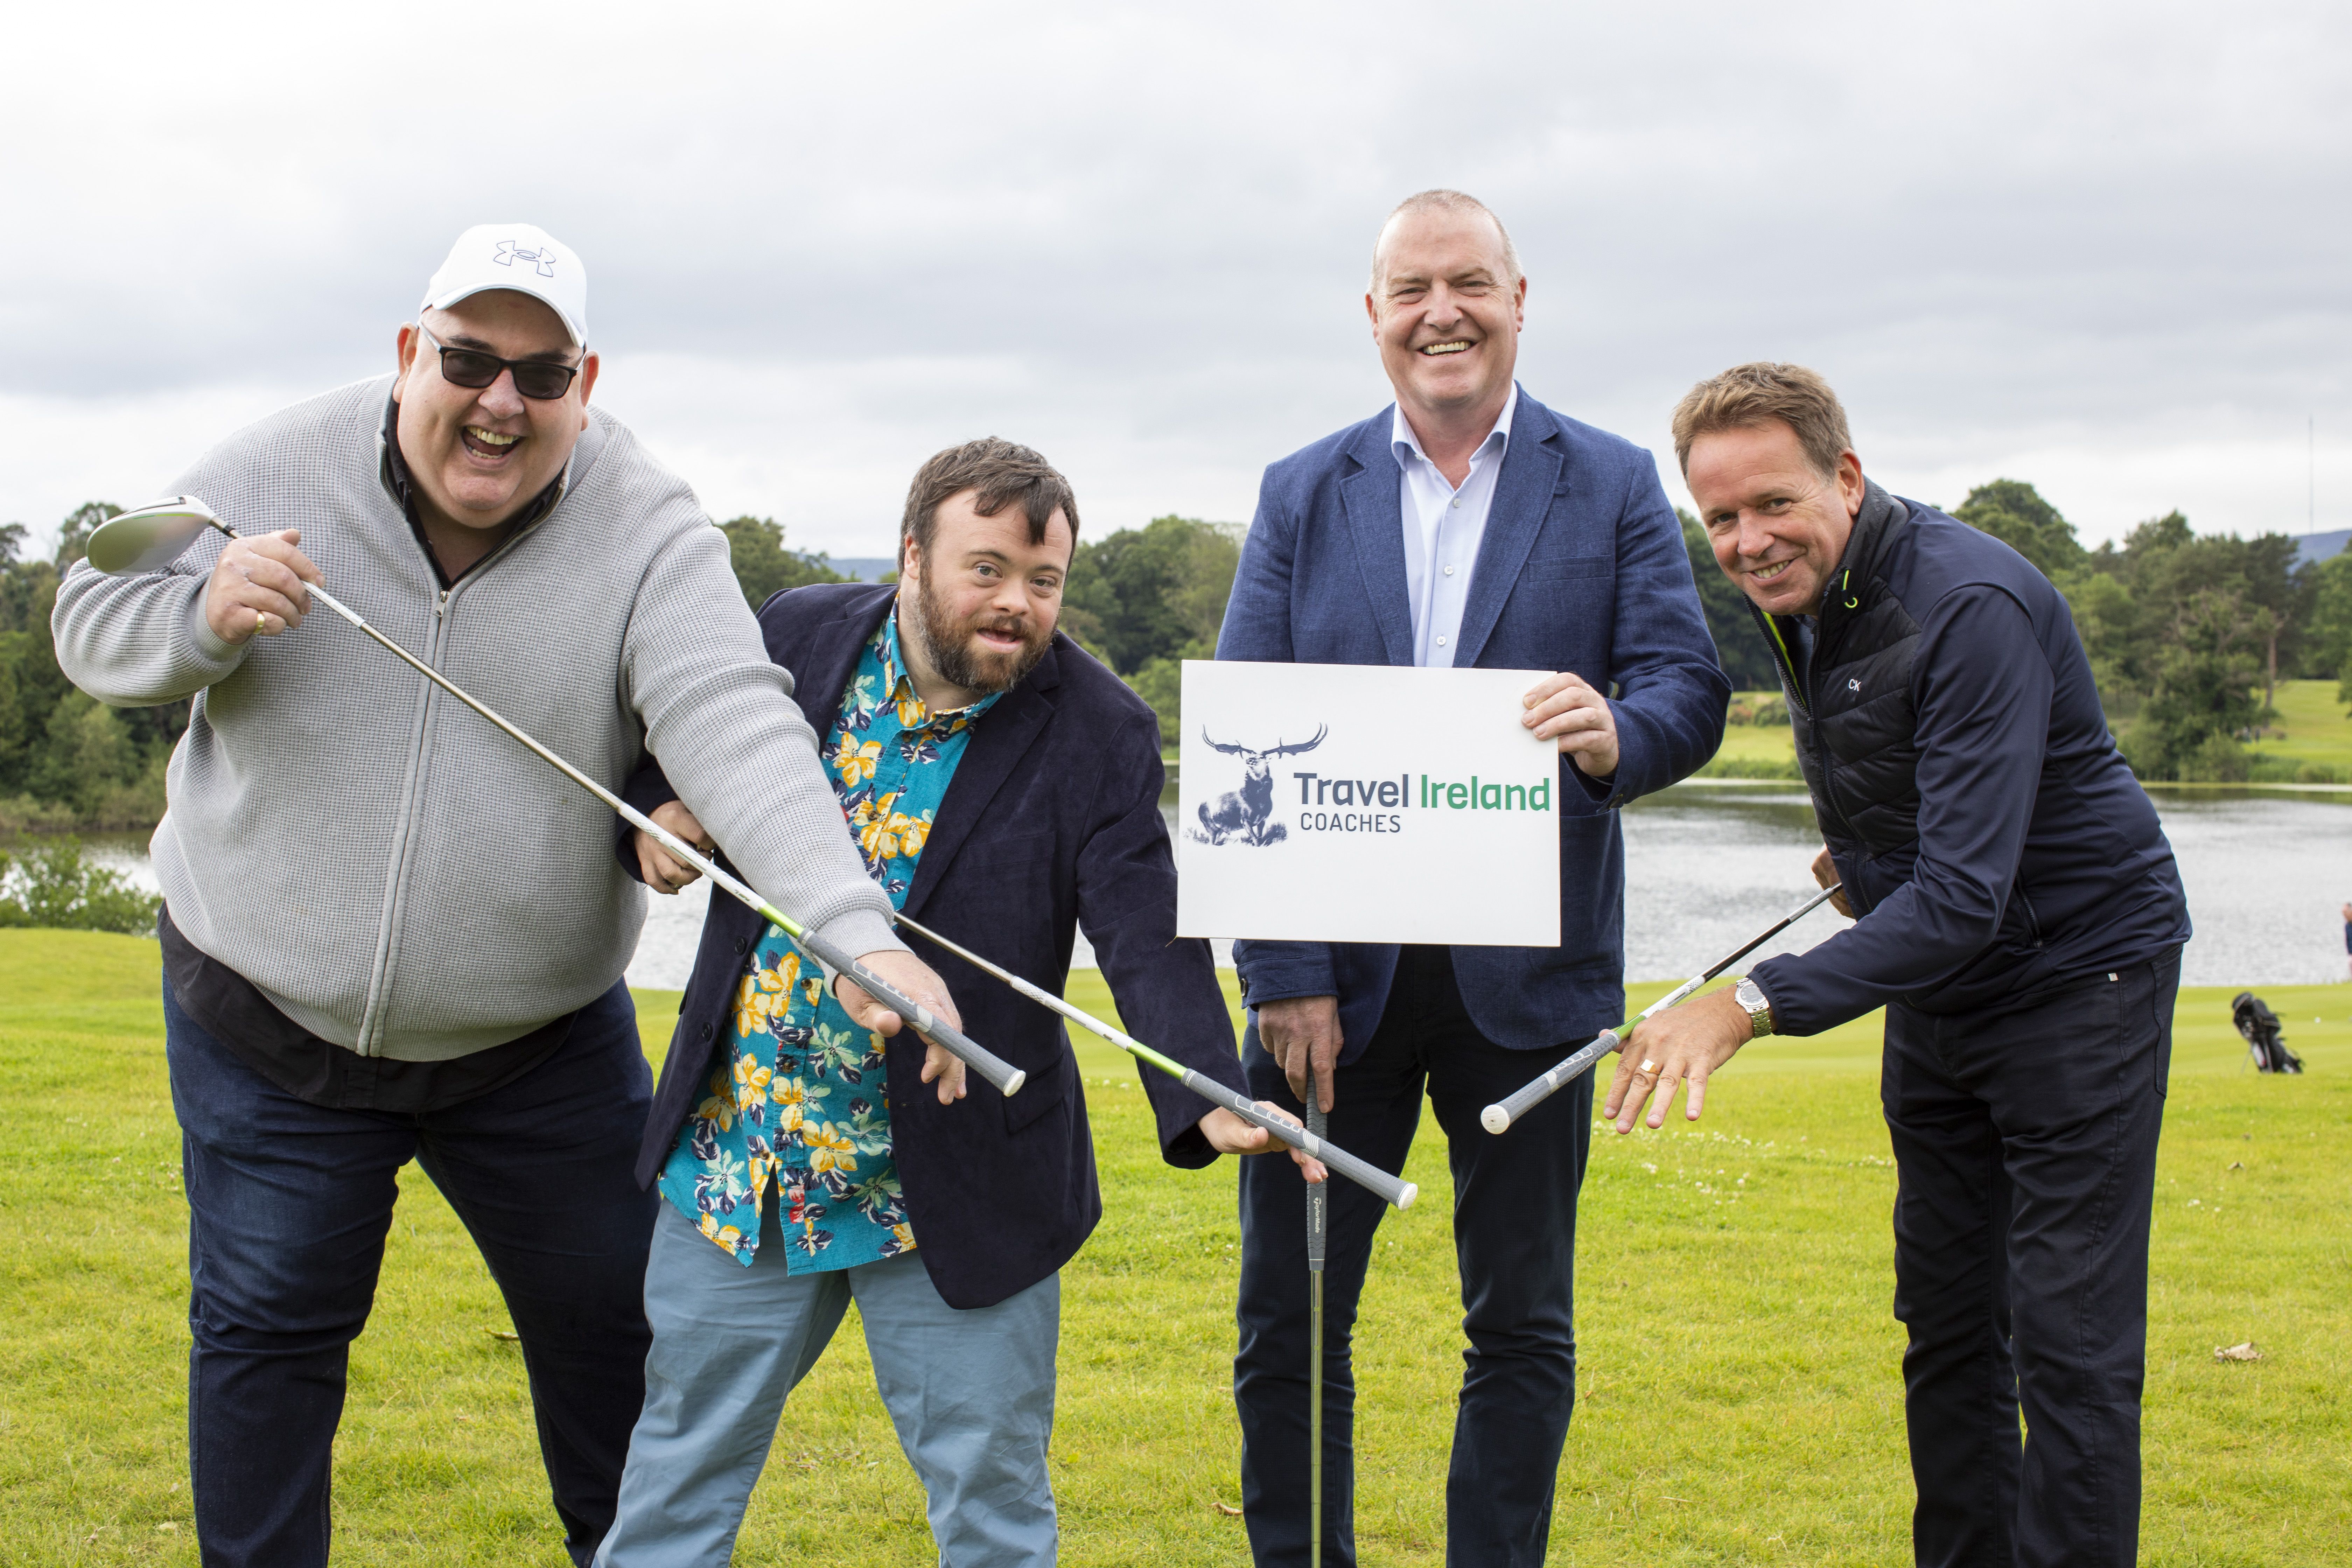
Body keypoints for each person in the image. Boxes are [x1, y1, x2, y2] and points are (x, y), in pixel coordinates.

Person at [50, 224, 959, 1567]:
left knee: (611, 1339)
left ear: (585, 383)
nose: (500, 402)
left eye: (541, 376)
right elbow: (90, 615)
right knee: (268, 1335)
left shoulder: (646, 518)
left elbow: (733, 718)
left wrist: (846, 923)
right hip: (264, 1015)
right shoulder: (268, 464)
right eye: (470, 360)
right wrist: (199, 617)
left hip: (533, 1045)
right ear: (411, 352)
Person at [593, 438, 1313, 1568]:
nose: (1017, 605)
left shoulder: (1101, 729)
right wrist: (655, 809)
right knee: (674, 1483)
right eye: (987, 570)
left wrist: (1207, 1086)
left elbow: (1147, 928)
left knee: (992, 1511)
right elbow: (660, 734)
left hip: (958, 1186)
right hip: (748, 1164)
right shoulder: (793, 632)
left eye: (1044, 581)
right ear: (912, 552)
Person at [1215, 190, 1731, 1566]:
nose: (1442, 311)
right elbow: (1243, 736)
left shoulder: (1613, 479)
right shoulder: (1298, 490)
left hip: (1536, 985)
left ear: (1518, 298)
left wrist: (1622, 731)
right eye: (1412, 288)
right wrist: (1282, 972)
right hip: (1331, 994)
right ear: (1373, 315)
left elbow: (1690, 683)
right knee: (1288, 1324)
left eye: (1470, 284)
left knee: (1520, 1326)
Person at [1624, 362, 2191, 1568]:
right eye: (1719, 518)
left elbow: (1966, 894)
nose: (1747, 541)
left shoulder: (1970, 599)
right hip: (1941, 985)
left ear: (1846, 474)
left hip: (2080, 979)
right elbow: (1922, 805)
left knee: (2070, 1343)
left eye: (1772, 504)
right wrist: (1867, 857)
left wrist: (1746, 1006)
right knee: (1943, 1323)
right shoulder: (1813, 593)